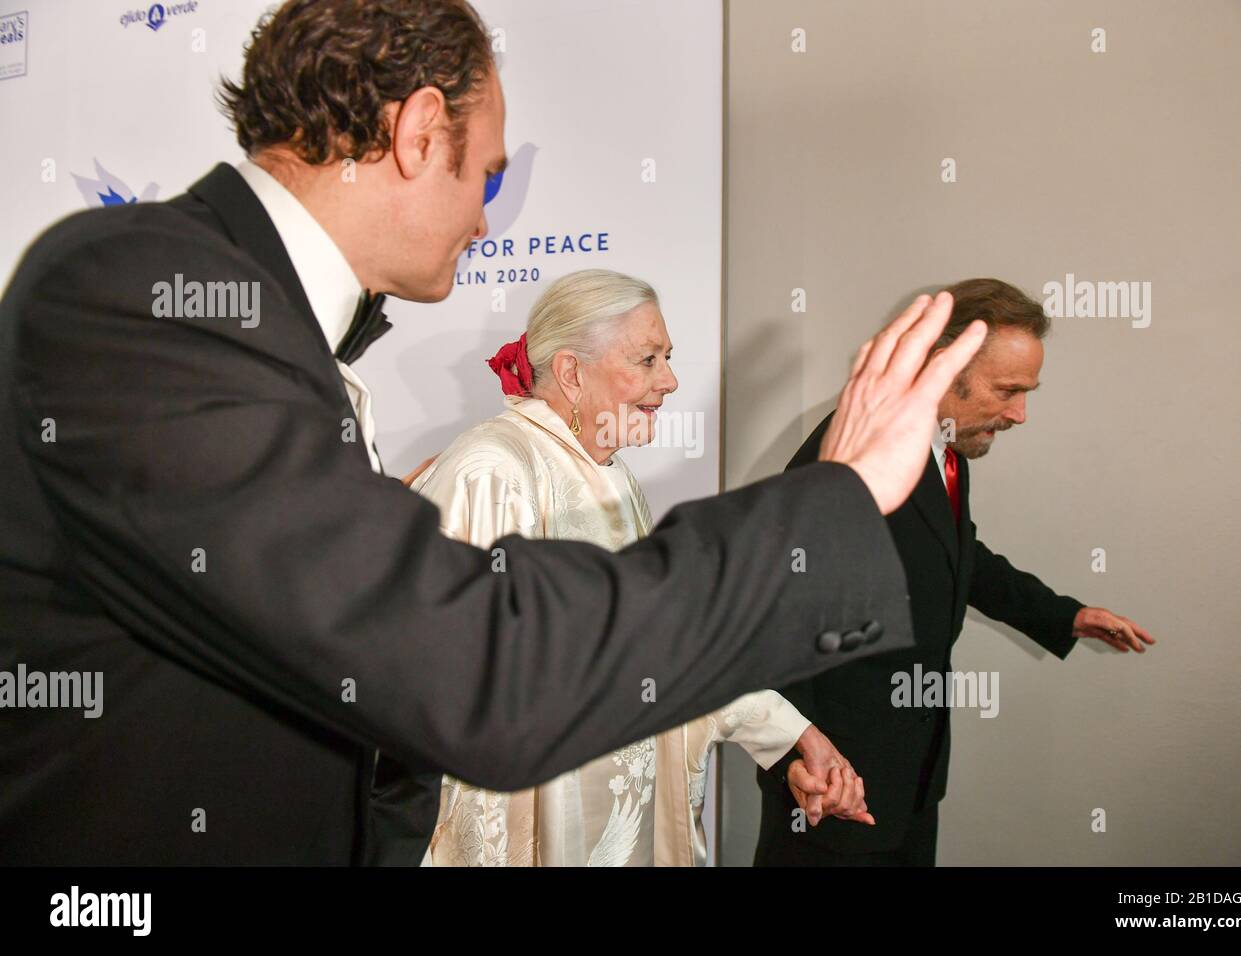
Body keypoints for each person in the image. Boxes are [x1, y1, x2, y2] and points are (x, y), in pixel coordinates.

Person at [0, 0, 986, 864]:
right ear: (421, 130)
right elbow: (474, 663)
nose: (486, 219)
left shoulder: (265, 332)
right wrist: (833, 503)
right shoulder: (141, 292)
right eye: (487, 174)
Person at [413, 270, 872, 866]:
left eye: (668, 357)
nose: (671, 380)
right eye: (648, 359)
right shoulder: (492, 471)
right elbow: (448, 685)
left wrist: (792, 737)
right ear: (574, 373)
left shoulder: (614, 476)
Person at [755, 278, 1156, 867]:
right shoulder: (855, 450)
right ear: (946, 366)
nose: (1020, 414)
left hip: (909, 782)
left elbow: (960, 555)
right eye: (1007, 390)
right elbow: (772, 604)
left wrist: (1065, 615)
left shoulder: (945, 446)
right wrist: (796, 751)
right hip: (832, 795)